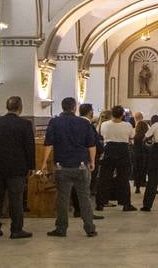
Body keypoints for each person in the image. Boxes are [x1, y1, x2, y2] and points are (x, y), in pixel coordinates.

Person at [41, 96, 98, 237]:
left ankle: (61, 228)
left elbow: (49, 144)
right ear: (74, 108)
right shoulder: (84, 123)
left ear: (62, 107)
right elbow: (91, 145)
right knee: (84, 198)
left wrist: (43, 163)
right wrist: (92, 162)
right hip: (80, 165)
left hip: (62, 166)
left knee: (62, 199)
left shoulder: (54, 122)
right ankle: (90, 228)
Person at [0, 95, 37, 239]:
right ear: (20, 108)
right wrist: (31, 166)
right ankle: (16, 230)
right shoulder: (25, 124)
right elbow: (29, 147)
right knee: (16, 199)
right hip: (17, 168)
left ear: (7, 107)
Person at [96, 106, 137, 212]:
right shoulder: (127, 125)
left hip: (109, 149)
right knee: (123, 178)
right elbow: (132, 136)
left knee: (104, 178)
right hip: (123, 150)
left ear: (112, 114)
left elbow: (100, 134)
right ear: (123, 115)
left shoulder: (105, 124)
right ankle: (126, 204)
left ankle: (100, 203)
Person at [71, 103, 105, 221]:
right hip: (87, 158)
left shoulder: (73, 123)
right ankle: (86, 212)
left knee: (76, 187)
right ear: (90, 112)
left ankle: (77, 210)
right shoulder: (87, 125)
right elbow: (93, 142)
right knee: (87, 187)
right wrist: (101, 151)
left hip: (72, 158)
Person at [132, 117, 149, 192]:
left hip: (136, 154)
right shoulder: (145, 137)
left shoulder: (135, 136)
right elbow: (147, 146)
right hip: (143, 155)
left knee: (137, 170)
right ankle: (142, 182)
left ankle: (137, 186)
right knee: (143, 171)